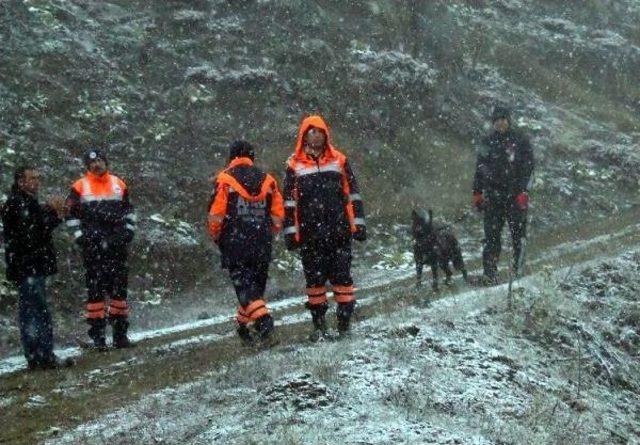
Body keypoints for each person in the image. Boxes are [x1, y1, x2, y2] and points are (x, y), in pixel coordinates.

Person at [283, 115, 366, 339]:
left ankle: (344, 325)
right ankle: (319, 326)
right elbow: (289, 204)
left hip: (339, 231)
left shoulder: (339, 160)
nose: (315, 135)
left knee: (343, 280)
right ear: (303, 136)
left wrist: (358, 224)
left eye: (319, 131)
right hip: (310, 235)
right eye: (310, 132)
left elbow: (353, 194)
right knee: (315, 284)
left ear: (325, 134)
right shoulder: (294, 165)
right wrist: (291, 233)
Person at [207, 140, 284, 344]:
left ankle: (264, 323)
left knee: (245, 289)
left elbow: (216, 214)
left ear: (231, 157)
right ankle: (244, 328)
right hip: (261, 242)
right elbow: (278, 215)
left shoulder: (224, 179)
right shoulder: (268, 180)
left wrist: (217, 236)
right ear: (252, 157)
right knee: (255, 290)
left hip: (234, 242)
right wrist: (269, 233)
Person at [66, 148, 136, 349]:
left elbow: (129, 211)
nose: (96, 165)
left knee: (119, 292)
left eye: (99, 162)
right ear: (87, 166)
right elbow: (71, 216)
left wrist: (128, 232)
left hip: (117, 246)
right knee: (95, 294)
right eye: (92, 163)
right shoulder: (79, 187)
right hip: (93, 248)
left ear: (106, 163)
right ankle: (98, 337)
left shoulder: (119, 184)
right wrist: (81, 238)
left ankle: (120, 335)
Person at [2, 166, 66, 369]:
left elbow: (35, 224)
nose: (37, 182)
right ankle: (41, 356)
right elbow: (34, 231)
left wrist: (49, 211)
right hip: (29, 266)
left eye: (38, 178)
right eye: (32, 178)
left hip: (30, 265)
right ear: (21, 182)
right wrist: (56, 215)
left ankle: (39, 355)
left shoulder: (24, 202)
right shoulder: (17, 203)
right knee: (36, 311)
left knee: (35, 310)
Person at [472, 106, 534, 284]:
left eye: (503, 119)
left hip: (516, 197)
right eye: (496, 120)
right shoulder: (487, 142)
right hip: (493, 197)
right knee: (491, 237)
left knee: (518, 236)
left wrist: (523, 191)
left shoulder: (521, 140)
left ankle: (518, 271)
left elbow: (529, 168)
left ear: (509, 120)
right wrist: (477, 193)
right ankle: (489, 274)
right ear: (493, 122)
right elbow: (479, 168)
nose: (500, 122)